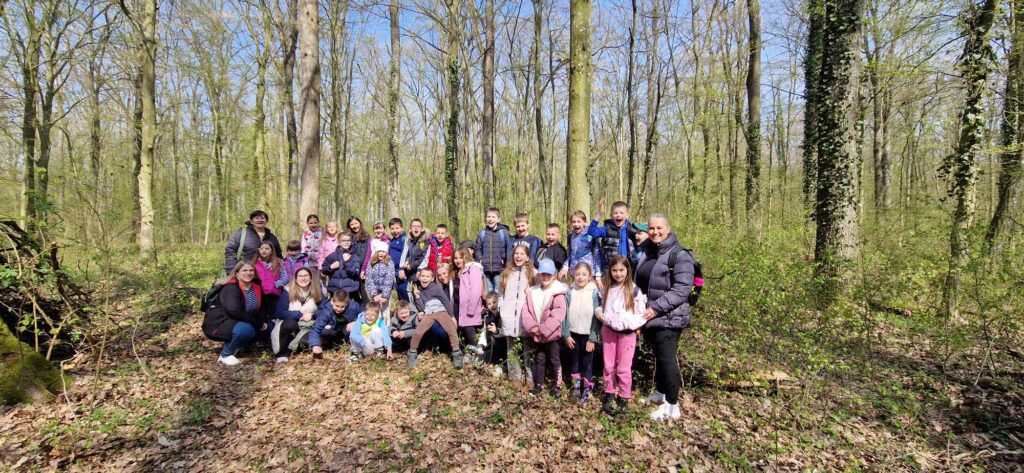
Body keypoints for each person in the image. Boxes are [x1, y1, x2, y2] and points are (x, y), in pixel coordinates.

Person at [634, 215, 695, 422]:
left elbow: (682, 289)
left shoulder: (679, 255)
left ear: (667, 229)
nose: (655, 232)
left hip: (669, 316)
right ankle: (661, 393)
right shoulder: (649, 251)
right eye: (651, 228)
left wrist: (656, 308)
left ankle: (672, 405)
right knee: (660, 356)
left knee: (667, 359)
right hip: (652, 316)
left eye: (659, 228)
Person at [597, 255, 648, 416]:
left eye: (621, 270)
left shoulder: (634, 290)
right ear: (610, 271)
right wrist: (600, 313)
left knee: (623, 367)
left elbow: (641, 315)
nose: (618, 274)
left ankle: (624, 396)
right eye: (614, 270)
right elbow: (601, 307)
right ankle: (609, 392)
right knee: (608, 365)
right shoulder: (607, 289)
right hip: (609, 331)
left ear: (627, 270)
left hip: (627, 334)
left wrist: (627, 324)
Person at [202, 261, 271, 366]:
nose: (248, 273)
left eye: (251, 270)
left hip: (241, 320)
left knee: (269, 327)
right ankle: (225, 354)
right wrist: (258, 323)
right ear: (237, 273)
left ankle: (238, 344)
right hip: (220, 322)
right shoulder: (231, 288)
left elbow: (261, 307)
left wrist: (262, 322)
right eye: (244, 270)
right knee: (246, 329)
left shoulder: (255, 286)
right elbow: (235, 311)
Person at [520, 259, 569, 396]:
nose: (545, 277)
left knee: (554, 360)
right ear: (539, 275)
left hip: (551, 334)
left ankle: (557, 385)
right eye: (543, 274)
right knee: (539, 359)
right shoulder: (532, 292)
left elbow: (558, 313)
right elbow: (526, 312)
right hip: (537, 334)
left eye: (549, 274)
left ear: (554, 275)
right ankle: (539, 384)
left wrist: (544, 329)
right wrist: (533, 327)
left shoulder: (557, 292)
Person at [406, 268, 464, 369]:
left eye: (427, 276)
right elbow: (422, 308)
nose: (425, 278)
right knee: (418, 332)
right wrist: (417, 297)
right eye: (423, 276)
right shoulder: (418, 290)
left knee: (451, 330)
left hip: (441, 311)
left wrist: (451, 316)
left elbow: (445, 301)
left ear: (432, 278)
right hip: (428, 314)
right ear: (419, 277)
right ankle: (412, 353)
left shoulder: (436, 287)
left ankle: (457, 353)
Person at [561, 262, 602, 404]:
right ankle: (576, 388)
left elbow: (597, 317)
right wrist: (566, 334)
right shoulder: (570, 291)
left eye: (584, 274)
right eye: (577, 274)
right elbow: (564, 313)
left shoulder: (594, 292)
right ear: (573, 275)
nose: (580, 277)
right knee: (574, 361)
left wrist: (593, 338)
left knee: (587, 363)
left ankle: (586, 389)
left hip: (587, 335)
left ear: (590, 276)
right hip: (573, 334)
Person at [496, 245, 536, 381]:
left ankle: (530, 377)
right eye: (516, 254)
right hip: (508, 315)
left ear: (527, 257)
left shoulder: (533, 274)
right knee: (511, 347)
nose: (518, 256)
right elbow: (500, 293)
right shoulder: (507, 273)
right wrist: (501, 307)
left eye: (522, 254)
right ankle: (515, 377)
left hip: (525, 316)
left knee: (528, 348)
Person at [272, 267, 323, 362]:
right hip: (289, 324)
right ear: (295, 278)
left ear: (310, 277)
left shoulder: (317, 291)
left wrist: (312, 315)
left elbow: (325, 309)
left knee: (308, 341)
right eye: (300, 276)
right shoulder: (287, 291)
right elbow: (279, 312)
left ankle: (296, 349)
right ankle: (282, 352)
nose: (303, 278)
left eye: (306, 275)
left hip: (308, 325)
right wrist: (300, 315)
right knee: (291, 324)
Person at [224, 210, 282, 274]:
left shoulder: (272, 237)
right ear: (251, 221)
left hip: (267, 275)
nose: (260, 220)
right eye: (256, 218)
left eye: (262, 218)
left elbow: (278, 256)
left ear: (266, 221)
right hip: (245, 273)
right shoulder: (241, 234)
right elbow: (230, 252)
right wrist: (231, 271)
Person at [309, 291, 364, 358]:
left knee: (353, 329)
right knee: (326, 331)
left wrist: (355, 322)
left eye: (342, 307)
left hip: (346, 329)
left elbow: (364, 315)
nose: (339, 309)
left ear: (347, 303)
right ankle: (330, 345)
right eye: (337, 306)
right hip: (333, 329)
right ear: (332, 302)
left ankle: (350, 344)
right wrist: (315, 345)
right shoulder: (326, 311)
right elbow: (316, 328)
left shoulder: (354, 306)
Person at [587, 200, 640, 269]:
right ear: (611, 215)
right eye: (615, 213)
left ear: (627, 215)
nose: (618, 215)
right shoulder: (606, 229)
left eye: (621, 213)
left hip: (629, 267)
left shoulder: (632, 230)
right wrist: (599, 213)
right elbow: (591, 232)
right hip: (611, 267)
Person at [454, 248, 485, 355]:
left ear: (466, 257)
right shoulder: (459, 271)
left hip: (470, 308)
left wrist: (470, 309)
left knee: (471, 335)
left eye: (460, 258)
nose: (458, 260)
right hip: (462, 308)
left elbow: (476, 290)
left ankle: (477, 357)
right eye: (455, 258)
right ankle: (470, 355)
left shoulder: (473, 269)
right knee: (466, 334)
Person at [475, 208, 512, 293]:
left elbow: (508, 248)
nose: (490, 219)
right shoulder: (482, 233)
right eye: (488, 217)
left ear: (498, 219)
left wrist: (504, 261)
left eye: (493, 217)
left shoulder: (503, 232)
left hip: (499, 269)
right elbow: (478, 248)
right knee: (488, 292)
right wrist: (480, 260)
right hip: (486, 269)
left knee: (498, 292)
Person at [252, 242, 286, 322]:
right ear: (258, 250)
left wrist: (277, 284)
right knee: (261, 314)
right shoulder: (254, 263)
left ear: (271, 251)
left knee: (272, 315)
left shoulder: (278, 262)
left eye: (267, 249)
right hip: (260, 293)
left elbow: (285, 277)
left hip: (273, 293)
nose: (264, 250)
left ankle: (272, 326)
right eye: (261, 249)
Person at [322, 233, 362, 302]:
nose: (346, 242)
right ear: (339, 242)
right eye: (343, 240)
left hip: (350, 291)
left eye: (348, 240)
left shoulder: (354, 257)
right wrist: (331, 267)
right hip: (335, 290)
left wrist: (347, 262)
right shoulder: (332, 256)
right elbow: (324, 270)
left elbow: (356, 272)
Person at [568, 210, 603, 285]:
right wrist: (565, 267)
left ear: (585, 222)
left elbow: (597, 254)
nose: (576, 224)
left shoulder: (590, 235)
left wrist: (598, 274)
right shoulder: (571, 236)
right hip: (575, 273)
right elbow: (570, 254)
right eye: (574, 222)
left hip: (589, 273)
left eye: (579, 221)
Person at [397, 219, 430, 299]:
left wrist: (413, 266)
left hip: (420, 270)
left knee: (420, 293)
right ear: (410, 229)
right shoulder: (410, 240)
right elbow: (407, 253)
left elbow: (424, 257)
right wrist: (405, 263)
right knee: (409, 291)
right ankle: (412, 306)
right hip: (410, 272)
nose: (416, 228)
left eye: (418, 226)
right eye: (413, 226)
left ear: (422, 229)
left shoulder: (425, 241)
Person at [366, 242, 397, 316]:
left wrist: (384, 296)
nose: (381, 253)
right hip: (375, 292)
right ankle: (376, 322)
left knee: (385, 311)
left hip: (385, 292)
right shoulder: (371, 263)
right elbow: (369, 279)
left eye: (383, 251)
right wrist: (374, 294)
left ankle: (385, 323)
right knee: (376, 311)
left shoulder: (389, 263)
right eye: (379, 251)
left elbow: (389, 279)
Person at [478, 292, 502, 367]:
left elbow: (505, 332)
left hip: (501, 347)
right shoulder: (487, 316)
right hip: (490, 346)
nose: (492, 305)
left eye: (494, 302)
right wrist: (480, 346)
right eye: (489, 304)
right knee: (479, 360)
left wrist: (496, 331)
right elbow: (484, 332)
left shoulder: (502, 315)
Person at [388, 218, 409, 301]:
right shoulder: (392, 240)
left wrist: (402, 268)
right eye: (392, 228)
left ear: (402, 228)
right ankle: (402, 306)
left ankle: (408, 306)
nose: (395, 231)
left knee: (403, 290)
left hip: (402, 270)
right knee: (398, 290)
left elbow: (406, 252)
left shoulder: (404, 238)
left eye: (397, 228)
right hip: (394, 270)